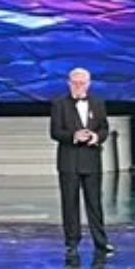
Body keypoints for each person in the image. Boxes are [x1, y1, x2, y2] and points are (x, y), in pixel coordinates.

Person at [50, 68, 113, 254]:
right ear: (69, 83)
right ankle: (72, 243)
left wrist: (96, 137)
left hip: (91, 160)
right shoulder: (59, 104)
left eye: (82, 83)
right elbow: (55, 132)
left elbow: (104, 128)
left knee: (95, 203)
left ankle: (101, 242)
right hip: (68, 161)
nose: (78, 86)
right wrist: (74, 136)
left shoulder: (98, 103)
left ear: (88, 84)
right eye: (75, 83)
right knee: (69, 204)